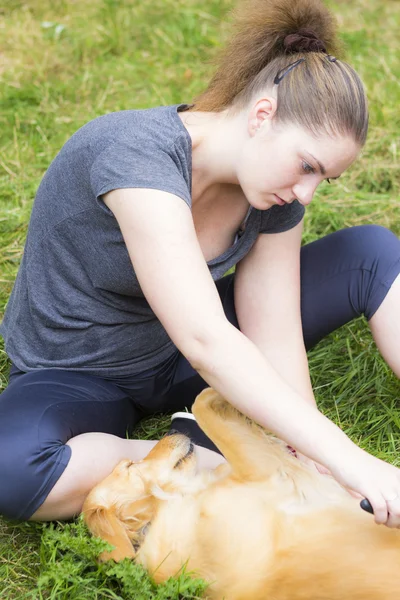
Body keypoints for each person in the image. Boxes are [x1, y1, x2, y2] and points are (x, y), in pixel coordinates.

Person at [0, 0, 399, 528]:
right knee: (13, 469)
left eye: (321, 179)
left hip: (184, 356)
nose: (306, 191)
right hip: (84, 371)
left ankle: (223, 443)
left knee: (370, 253)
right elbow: (206, 338)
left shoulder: (275, 193)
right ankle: (193, 452)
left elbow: (273, 331)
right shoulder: (136, 155)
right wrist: (351, 460)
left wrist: (312, 451)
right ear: (262, 115)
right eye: (307, 166)